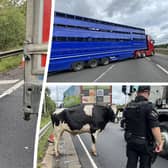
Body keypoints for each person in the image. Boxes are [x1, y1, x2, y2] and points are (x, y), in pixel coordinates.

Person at [124, 86, 164, 168]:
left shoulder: (128, 106)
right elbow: (155, 127)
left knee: (130, 165)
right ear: (148, 93)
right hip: (144, 144)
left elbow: (126, 124)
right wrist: (160, 143)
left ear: (138, 93)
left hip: (130, 141)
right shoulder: (149, 106)